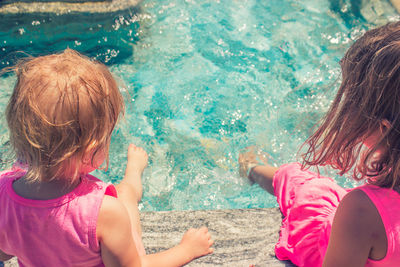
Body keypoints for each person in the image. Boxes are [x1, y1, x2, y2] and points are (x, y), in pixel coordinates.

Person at [0, 49, 213, 267]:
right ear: (92, 148)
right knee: (125, 194)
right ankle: (134, 170)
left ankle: (134, 170)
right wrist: (186, 250)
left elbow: (4, 253)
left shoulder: (4, 193)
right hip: (120, 244)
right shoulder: (105, 212)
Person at [239, 21, 400, 267]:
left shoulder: (361, 213)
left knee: (301, 182)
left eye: (352, 102)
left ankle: (250, 167)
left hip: (323, 243)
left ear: (383, 128)